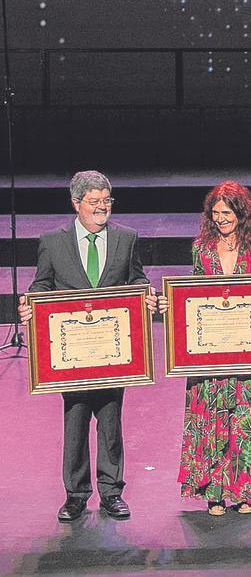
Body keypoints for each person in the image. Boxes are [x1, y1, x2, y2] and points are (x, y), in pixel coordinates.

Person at [18, 170, 157, 522]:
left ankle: (111, 492)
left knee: (111, 422)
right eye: (93, 202)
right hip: (72, 354)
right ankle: (76, 495)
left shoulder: (127, 238)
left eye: (106, 201)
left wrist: (147, 294)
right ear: (75, 203)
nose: (102, 208)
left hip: (112, 350)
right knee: (76, 422)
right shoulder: (52, 241)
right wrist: (30, 304)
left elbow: (137, 278)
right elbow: (42, 286)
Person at [165, 181, 251, 516]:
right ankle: (215, 493)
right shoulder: (201, 249)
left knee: (246, 417)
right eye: (216, 213)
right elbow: (192, 294)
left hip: (248, 350)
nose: (221, 218)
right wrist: (173, 306)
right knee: (212, 417)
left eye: (227, 212)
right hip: (210, 352)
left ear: (242, 213)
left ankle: (245, 493)